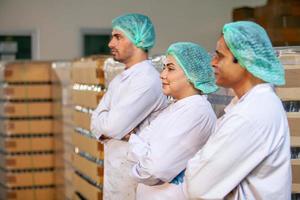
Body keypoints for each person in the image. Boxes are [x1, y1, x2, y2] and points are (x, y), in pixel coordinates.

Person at [138, 21, 292, 200]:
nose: (212, 62)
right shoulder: (248, 105)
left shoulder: (250, 115)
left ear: (244, 60)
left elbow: (197, 185)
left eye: (219, 56)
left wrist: (194, 165)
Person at [90, 13, 168, 199]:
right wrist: (108, 125)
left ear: (138, 39)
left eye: (118, 37)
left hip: (135, 178)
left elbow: (111, 127)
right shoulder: (120, 79)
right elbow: (94, 123)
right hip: (116, 173)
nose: (110, 44)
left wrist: (108, 124)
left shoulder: (147, 80)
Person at [128, 42, 218, 195]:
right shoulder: (176, 107)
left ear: (191, 74)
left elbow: (153, 170)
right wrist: (142, 150)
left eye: (170, 69)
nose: (162, 74)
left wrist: (137, 153)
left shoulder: (196, 113)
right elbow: (143, 146)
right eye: (164, 68)